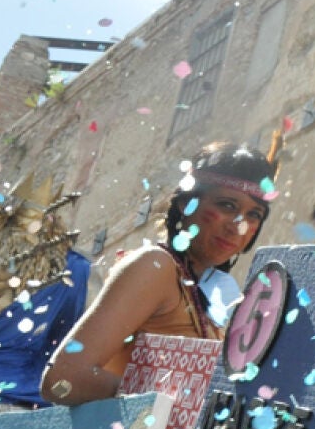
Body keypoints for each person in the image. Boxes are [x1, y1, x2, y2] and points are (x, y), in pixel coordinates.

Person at [42, 142, 276, 404]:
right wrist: (175, 405)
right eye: (227, 206)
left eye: (254, 214)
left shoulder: (214, 296)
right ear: (187, 203)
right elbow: (62, 379)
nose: (238, 226)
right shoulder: (155, 266)